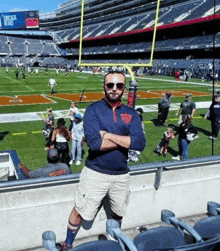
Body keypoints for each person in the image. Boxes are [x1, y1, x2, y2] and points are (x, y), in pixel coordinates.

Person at [61, 71, 146, 250]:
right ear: (104, 87)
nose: (114, 89)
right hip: (95, 172)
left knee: (117, 213)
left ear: (124, 89)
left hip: (121, 175)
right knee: (80, 211)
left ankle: (113, 242)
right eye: (110, 85)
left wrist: (107, 135)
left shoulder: (131, 113)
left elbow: (139, 143)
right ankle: (67, 244)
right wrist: (125, 140)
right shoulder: (93, 109)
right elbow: (94, 144)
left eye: (119, 85)